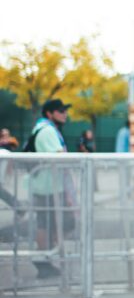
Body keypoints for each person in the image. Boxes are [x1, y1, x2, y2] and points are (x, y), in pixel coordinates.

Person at [27, 99, 72, 278]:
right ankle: (43, 259)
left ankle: (47, 256)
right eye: (60, 111)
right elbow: (60, 157)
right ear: (49, 113)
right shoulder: (47, 131)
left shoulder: (46, 129)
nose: (64, 114)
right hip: (47, 187)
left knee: (50, 222)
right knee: (48, 223)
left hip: (49, 186)